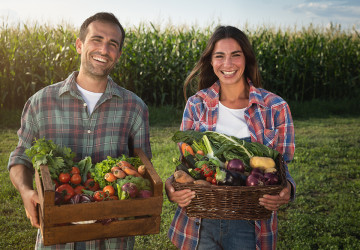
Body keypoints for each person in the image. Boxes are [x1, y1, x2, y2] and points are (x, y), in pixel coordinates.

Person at [8, 12, 151, 250]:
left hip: (113, 238)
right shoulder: (41, 102)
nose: (104, 49)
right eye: (97, 39)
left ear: (118, 54)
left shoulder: (134, 108)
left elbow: (143, 169)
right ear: (79, 45)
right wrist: (25, 191)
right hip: (57, 239)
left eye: (112, 44)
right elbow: (21, 156)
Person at [165, 26, 296, 250]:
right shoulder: (197, 104)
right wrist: (171, 186)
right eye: (219, 56)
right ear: (210, 61)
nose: (228, 64)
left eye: (236, 54)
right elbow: (187, 164)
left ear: (247, 58)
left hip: (251, 225)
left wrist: (288, 190)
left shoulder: (275, 107)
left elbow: (282, 168)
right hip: (199, 222)